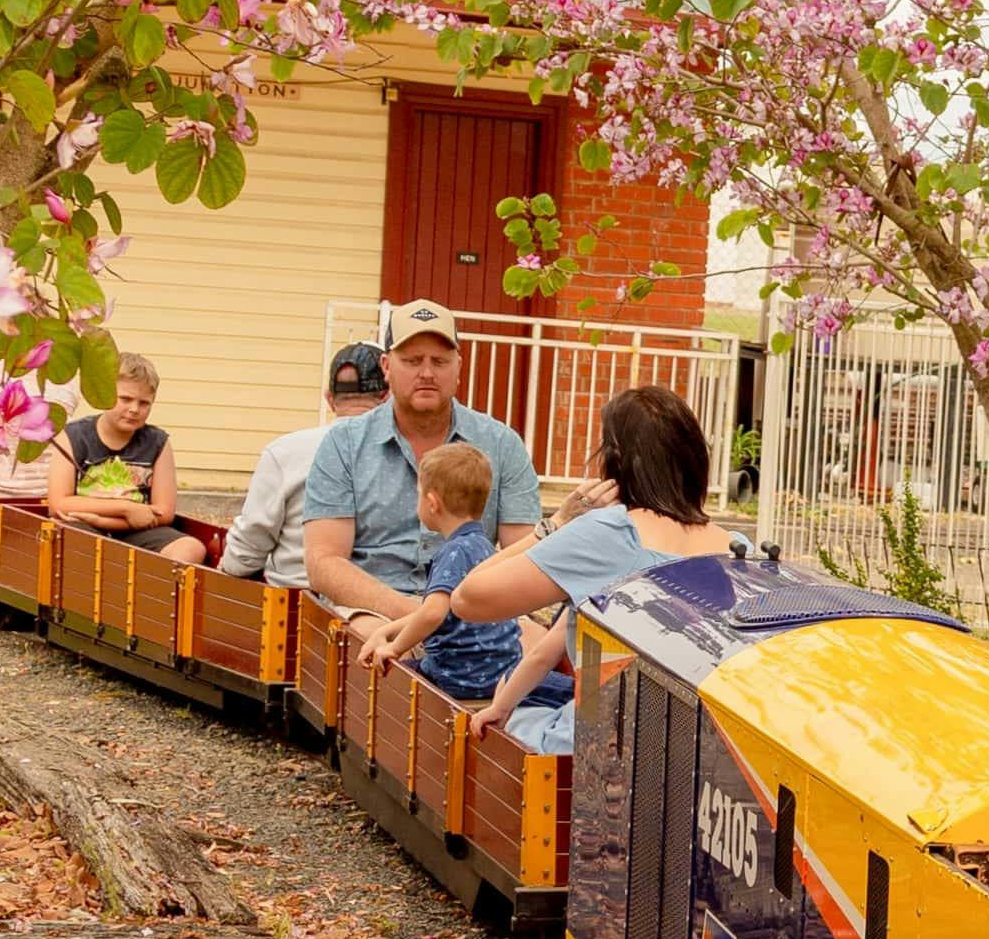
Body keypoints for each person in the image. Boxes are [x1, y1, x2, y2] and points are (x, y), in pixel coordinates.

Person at [449, 379, 732, 739]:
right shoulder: (737, 548)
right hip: (694, 747)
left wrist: (555, 525)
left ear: (614, 466)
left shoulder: (609, 535)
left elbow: (466, 599)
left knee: (521, 714)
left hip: (595, 745)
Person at [298, 302, 543, 632]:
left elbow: (523, 558)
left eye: (439, 361)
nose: (426, 373)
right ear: (386, 366)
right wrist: (416, 614)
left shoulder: (502, 444)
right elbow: (324, 562)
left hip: (475, 611)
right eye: (412, 361)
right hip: (374, 611)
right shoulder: (345, 443)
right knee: (380, 656)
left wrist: (464, 612)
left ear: (458, 366)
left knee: (535, 647)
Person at [343, 439, 525, 702]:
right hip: (500, 674)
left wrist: (395, 647)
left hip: (458, 677)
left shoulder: (452, 553)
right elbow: (445, 610)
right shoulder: (484, 548)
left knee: (389, 682)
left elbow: (432, 613)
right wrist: (387, 630)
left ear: (432, 503)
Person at [224, 338, 387, 582]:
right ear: (386, 397)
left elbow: (247, 551)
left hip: (291, 604)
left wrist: (228, 568)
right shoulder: (410, 457)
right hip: (382, 603)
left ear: (329, 398)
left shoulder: (284, 452)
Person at [48, 356, 199, 549]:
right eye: (125, 399)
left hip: (137, 529)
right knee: (64, 535)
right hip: (82, 525)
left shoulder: (158, 442)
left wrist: (105, 521)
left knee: (191, 548)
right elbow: (59, 504)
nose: (134, 409)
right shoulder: (74, 436)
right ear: (105, 394)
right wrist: (125, 508)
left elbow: (164, 512)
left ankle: (147, 577)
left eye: (144, 403)